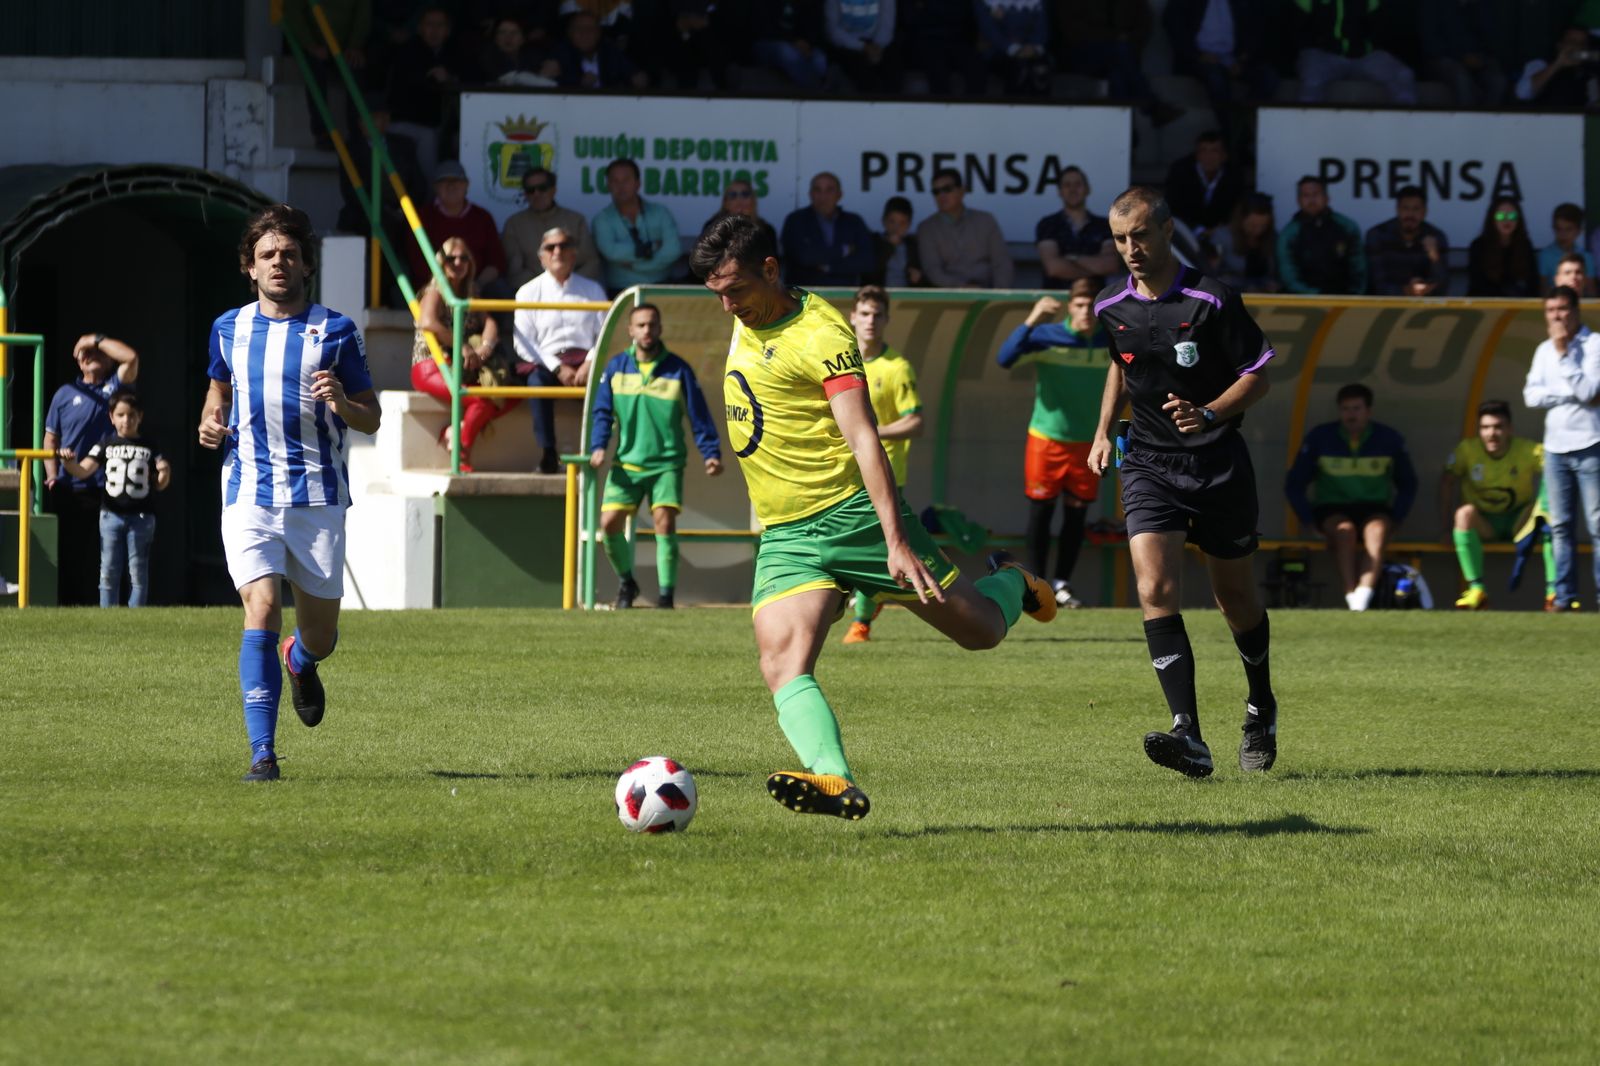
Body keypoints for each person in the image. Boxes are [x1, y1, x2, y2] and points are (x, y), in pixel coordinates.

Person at [691, 214, 1055, 819]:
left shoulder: (824, 336)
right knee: (781, 662)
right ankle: (834, 780)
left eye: (735, 291)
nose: (727, 307)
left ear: (771, 270)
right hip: (787, 534)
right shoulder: (750, 313)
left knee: (982, 631)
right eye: (718, 294)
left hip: (853, 516)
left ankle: (1014, 581)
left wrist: (894, 541)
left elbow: (865, 439)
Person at [1087, 186, 1280, 777]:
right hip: (1148, 462)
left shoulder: (1212, 298)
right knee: (1154, 588)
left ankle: (1260, 705)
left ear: (1168, 231)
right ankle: (1187, 733)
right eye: (1120, 239)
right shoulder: (1109, 304)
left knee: (1235, 599)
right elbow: (1121, 365)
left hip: (1217, 463)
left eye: (1140, 235)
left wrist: (1211, 413)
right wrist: (1102, 432)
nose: (1131, 249)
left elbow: (1259, 373)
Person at [197, 203, 381, 783]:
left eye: (290, 254)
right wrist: (209, 419)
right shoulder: (228, 328)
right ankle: (263, 754)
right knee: (262, 606)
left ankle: (300, 660)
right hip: (248, 491)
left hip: (317, 495)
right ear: (249, 267)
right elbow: (218, 389)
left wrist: (342, 403)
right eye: (268, 254)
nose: (279, 263)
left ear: (306, 265)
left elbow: (371, 417)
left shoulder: (337, 331)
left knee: (320, 635)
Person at [589, 304, 722, 610]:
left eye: (652, 324)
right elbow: (602, 412)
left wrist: (710, 453)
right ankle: (627, 582)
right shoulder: (616, 367)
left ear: (660, 328)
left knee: (664, 522)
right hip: (626, 462)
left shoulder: (678, 368)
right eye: (641, 325)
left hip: (667, 463)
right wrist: (599, 445)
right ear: (631, 330)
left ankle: (665, 598)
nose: (647, 330)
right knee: (609, 523)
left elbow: (699, 415)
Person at [996, 279, 1109, 610]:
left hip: (1090, 444)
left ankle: (1061, 585)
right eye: (1079, 305)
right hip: (1046, 440)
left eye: (1091, 305)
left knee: (1077, 516)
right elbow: (1005, 357)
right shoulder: (1048, 336)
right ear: (1069, 306)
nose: (1085, 312)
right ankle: (1037, 586)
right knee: (1041, 514)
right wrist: (1033, 318)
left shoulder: (1110, 339)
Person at [1285, 383, 1419, 611]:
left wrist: (1397, 519)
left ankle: (1363, 596)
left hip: (1374, 507)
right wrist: (1308, 521)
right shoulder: (1320, 437)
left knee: (1377, 530)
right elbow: (1294, 484)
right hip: (1332, 507)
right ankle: (1352, 597)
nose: (1351, 415)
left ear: (1369, 411)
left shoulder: (1389, 438)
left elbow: (1408, 483)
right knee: (1345, 531)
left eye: (1357, 408)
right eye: (1345, 409)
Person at [840, 285, 923, 643]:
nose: (870, 321)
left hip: (884, 474)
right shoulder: (840, 362)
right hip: (841, 474)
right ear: (852, 317)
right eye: (864, 314)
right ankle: (865, 601)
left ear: (887, 319)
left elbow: (916, 421)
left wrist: (872, 433)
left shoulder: (897, 367)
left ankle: (861, 623)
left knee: (875, 551)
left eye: (877, 315)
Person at [41, 332, 140, 606]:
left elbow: (130, 358)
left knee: (114, 551)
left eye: (98, 353)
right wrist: (52, 476)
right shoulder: (64, 394)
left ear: (108, 360)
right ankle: (71, 606)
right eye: (86, 353)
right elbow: (50, 438)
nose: (92, 356)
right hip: (72, 485)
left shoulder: (116, 388)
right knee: (73, 553)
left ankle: (117, 608)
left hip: (112, 486)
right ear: (78, 361)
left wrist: (92, 340)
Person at [1523, 284, 1600, 611]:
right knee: (1560, 526)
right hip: (1555, 448)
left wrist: (1564, 353)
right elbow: (1531, 396)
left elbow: (1589, 392)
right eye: (1551, 311)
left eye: (1562, 309)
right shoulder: (1543, 350)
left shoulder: (1594, 345)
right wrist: (1567, 393)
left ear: (1576, 311)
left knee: (1597, 524)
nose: (1556, 317)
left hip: (1591, 444)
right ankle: (1565, 597)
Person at [411, 237, 519, 472]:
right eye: (452, 258)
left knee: (515, 393)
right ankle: (461, 452)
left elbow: (489, 323)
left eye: (464, 258)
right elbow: (428, 322)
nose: (458, 263)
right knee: (482, 399)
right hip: (432, 365)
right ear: (441, 262)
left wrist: (485, 348)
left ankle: (456, 431)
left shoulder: (471, 293)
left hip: (464, 368)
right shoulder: (434, 292)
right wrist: (462, 346)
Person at [56, 391, 170, 608]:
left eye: (132, 415)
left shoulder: (149, 445)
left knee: (138, 571)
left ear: (140, 416)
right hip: (111, 514)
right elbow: (83, 470)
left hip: (142, 516)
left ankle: (136, 616)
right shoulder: (106, 444)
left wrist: (164, 473)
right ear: (111, 417)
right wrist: (68, 463)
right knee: (108, 569)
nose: (126, 420)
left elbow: (160, 483)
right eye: (121, 415)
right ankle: (107, 616)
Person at [514, 226, 608, 473]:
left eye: (564, 246)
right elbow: (523, 343)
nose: (557, 251)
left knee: (610, 382)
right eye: (550, 247)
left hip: (587, 361)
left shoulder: (593, 289)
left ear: (574, 254)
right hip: (547, 363)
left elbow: (605, 333)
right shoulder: (528, 292)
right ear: (541, 257)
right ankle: (548, 453)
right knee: (536, 383)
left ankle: (601, 452)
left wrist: (589, 362)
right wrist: (558, 368)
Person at [1439, 400, 1549, 610]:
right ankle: (1477, 589)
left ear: (1510, 429)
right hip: (1485, 524)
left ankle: (1554, 592)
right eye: (1485, 427)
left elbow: (1556, 468)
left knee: (1543, 509)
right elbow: (1447, 481)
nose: (1492, 434)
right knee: (1464, 513)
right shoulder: (1467, 450)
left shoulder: (1527, 449)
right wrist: (1445, 527)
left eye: (1498, 427)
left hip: (1519, 523)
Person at [1162, 0, 1280, 145]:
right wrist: (1198, 55)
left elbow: (1256, 30)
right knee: (1216, 78)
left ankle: (1239, 119)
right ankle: (1232, 134)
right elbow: (1174, 26)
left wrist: (1243, 58)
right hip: (1198, 58)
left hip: (1232, 59)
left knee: (1269, 77)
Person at [1292, 0, 1418, 105]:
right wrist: (1316, 44)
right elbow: (1295, 24)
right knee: (1312, 79)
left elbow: (1381, 24)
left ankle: (1405, 124)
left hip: (1363, 56)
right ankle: (1308, 125)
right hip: (1322, 56)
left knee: (1402, 74)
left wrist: (1367, 46)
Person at [412, 160, 508, 293]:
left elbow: (496, 262)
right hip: (434, 286)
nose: (451, 186)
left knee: (501, 290)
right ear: (435, 187)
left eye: (456, 181)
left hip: (478, 286)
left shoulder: (483, 217)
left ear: (466, 185)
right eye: (444, 181)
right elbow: (417, 263)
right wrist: (449, 285)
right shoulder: (420, 217)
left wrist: (477, 285)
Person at [592, 157, 682, 293]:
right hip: (620, 291)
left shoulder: (661, 212)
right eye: (615, 181)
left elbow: (673, 250)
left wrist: (636, 266)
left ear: (638, 183)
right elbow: (612, 252)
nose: (620, 186)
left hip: (662, 286)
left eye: (626, 180)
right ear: (608, 185)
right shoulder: (601, 219)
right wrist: (653, 247)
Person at [502, 167, 601, 289]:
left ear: (553, 190)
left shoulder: (576, 220)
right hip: (532, 292)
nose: (536, 194)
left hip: (574, 290)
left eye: (542, 188)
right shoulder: (514, 224)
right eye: (530, 190)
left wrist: (569, 284)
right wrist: (543, 287)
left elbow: (591, 262)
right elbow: (515, 270)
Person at [916, 168, 1014, 289]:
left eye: (947, 189)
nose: (941, 195)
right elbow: (932, 270)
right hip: (949, 295)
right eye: (936, 192)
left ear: (962, 191)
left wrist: (998, 294)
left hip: (987, 292)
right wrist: (962, 287)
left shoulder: (986, 221)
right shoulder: (927, 228)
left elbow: (1002, 263)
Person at [779, 171, 875, 287]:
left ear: (839, 195)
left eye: (829, 190)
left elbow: (866, 262)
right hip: (803, 295)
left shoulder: (854, 222)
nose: (823, 196)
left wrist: (830, 267)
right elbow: (804, 257)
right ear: (810, 194)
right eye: (817, 190)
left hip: (846, 294)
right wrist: (844, 250)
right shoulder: (795, 220)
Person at [1278, 175, 1366, 295]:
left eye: (1316, 194)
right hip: (1305, 301)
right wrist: (1319, 297)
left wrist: (1353, 297)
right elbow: (1289, 278)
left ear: (1327, 198)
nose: (1311, 200)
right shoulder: (1289, 234)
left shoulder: (1347, 226)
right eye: (1306, 195)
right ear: (1298, 201)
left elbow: (1359, 270)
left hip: (1345, 299)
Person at [1035, 167, 1119, 292]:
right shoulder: (1048, 225)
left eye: (1078, 184)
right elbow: (1053, 268)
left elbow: (1110, 265)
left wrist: (1072, 258)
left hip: (1095, 299)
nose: (1072, 189)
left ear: (1087, 189)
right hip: (1056, 297)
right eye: (1067, 185)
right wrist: (1094, 268)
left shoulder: (1104, 225)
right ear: (1059, 191)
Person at [1365, 185, 1449, 297]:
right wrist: (1405, 290)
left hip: (1423, 304)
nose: (1410, 214)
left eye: (1416, 209)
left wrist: (1435, 257)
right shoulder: (1378, 235)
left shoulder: (1435, 237)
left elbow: (1442, 287)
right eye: (1405, 208)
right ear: (1397, 209)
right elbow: (1375, 284)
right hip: (1384, 304)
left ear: (1424, 211)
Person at [1418, 0, 1505, 107]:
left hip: (1476, 58)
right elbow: (1431, 43)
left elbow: (1490, 38)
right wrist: (1461, 57)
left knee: (1498, 80)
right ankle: (1467, 117)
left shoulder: (1480, 5)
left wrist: (1476, 7)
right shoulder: (1433, 4)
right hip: (1444, 59)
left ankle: (1488, 117)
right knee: (1461, 77)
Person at [1162, 131, 1245, 235]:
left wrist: (1217, 230)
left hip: (1220, 231)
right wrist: (1199, 230)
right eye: (1203, 151)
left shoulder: (1233, 175)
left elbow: (1236, 209)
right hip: (1185, 230)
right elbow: (1173, 208)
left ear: (1224, 156)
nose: (1208, 156)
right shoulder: (1180, 172)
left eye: (1214, 151)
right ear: (1196, 155)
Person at [555, 9, 648, 89]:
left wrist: (638, 78)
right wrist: (578, 84)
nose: (584, 33)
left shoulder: (609, 51)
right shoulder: (560, 53)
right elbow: (553, 83)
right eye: (579, 29)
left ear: (599, 34)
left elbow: (632, 74)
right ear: (570, 33)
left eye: (590, 29)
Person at [1206, 192, 1280, 293]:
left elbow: (1275, 274)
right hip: (1230, 294)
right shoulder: (1222, 237)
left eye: (1263, 226)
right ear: (1240, 220)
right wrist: (1245, 287)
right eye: (1253, 225)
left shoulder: (1273, 238)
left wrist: (1272, 284)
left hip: (1263, 297)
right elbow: (1212, 276)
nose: (1258, 230)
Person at [1467, 196, 1539, 298]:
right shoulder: (1478, 246)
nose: (1506, 220)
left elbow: (1533, 286)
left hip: (1518, 305)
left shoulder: (1525, 245)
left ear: (1519, 219)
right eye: (1500, 216)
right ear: (1492, 219)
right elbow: (1477, 285)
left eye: (1512, 216)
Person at [975, 0, 1051, 96]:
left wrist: (1034, 47)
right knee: (1018, 69)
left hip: (1029, 47)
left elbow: (1042, 27)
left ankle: (1040, 105)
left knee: (1041, 68)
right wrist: (1013, 49)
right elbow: (988, 29)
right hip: (998, 49)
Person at [1513, 25, 1600, 107]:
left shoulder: (1589, 72)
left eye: (1582, 43)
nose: (1577, 46)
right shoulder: (1540, 64)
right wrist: (1558, 64)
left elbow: (1593, 103)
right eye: (1572, 41)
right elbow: (1522, 93)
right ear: (1559, 45)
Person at [825, 0, 900, 93]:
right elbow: (832, 30)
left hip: (877, 43)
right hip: (848, 44)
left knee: (893, 74)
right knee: (865, 79)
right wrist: (862, 47)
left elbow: (887, 24)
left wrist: (877, 47)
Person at [699, 178, 778, 253]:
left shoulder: (767, 231)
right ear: (726, 203)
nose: (739, 199)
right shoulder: (711, 228)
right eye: (733, 195)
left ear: (753, 200)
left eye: (745, 194)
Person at [869, 195, 925, 287]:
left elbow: (924, 277)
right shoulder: (874, 242)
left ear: (909, 225)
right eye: (892, 221)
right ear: (883, 221)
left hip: (906, 294)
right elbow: (870, 273)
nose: (896, 227)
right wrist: (889, 246)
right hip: (880, 294)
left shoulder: (913, 246)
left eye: (902, 223)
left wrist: (918, 277)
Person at [1538, 203, 1595, 292]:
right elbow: (1543, 290)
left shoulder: (1587, 257)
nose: (1563, 234)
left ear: (1579, 231)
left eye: (1568, 229)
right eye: (1558, 229)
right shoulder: (1545, 256)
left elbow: (1591, 291)